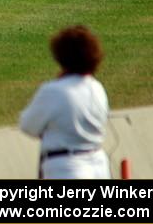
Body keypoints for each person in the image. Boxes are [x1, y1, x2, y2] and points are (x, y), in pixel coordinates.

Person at [19, 25, 110, 179]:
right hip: (98, 164)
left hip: (67, 167)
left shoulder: (55, 90)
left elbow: (28, 126)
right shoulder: (97, 88)